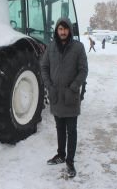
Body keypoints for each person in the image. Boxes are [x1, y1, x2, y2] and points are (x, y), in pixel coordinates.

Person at [40, 18, 88, 178]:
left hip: (70, 97)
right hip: (56, 95)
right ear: (57, 30)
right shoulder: (51, 47)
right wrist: (49, 85)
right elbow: (44, 67)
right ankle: (60, 154)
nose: (63, 32)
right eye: (60, 29)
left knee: (71, 130)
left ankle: (70, 161)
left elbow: (83, 70)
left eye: (65, 29)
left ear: (69, 30)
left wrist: (74, 87)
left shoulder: (78, 47)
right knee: (59, 128)